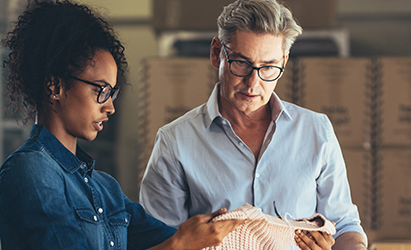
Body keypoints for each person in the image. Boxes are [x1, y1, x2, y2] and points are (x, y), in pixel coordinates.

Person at [0, 1, 244, 249]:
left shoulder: (106, 189)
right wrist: (179, 245)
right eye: (100, 90)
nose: (110, 107)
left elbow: (175, 237)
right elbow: (177, 243)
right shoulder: (31, 171)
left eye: (112, 93)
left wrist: (231, 225)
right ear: (55, 86)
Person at [139, 0, 368, 249]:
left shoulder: (316, 131)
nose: (253, 83)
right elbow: (158, 241)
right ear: (217, 53)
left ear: (284, 61)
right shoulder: (175, 142)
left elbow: (345, 227)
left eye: (269, 67)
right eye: (241, 63)